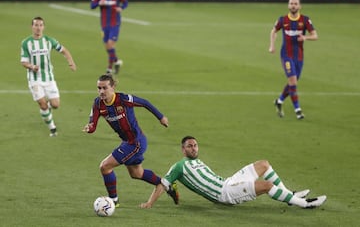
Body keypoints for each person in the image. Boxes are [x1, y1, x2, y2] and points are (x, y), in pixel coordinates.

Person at [140, 136, 327, 209]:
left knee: (263, 164)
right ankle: (304, 204)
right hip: (224, 193)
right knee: (267, 186)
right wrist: (149, 203)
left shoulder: (197, 161)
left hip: (228, 182)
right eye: (190, 146)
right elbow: (163, 184)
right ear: (183, 149)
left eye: (196, 145)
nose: (194, 148)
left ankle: (289, 196)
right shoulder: (179, 167)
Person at [83, 74, 178, 207]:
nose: (101, 91)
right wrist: (89, 127)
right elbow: (92, 124)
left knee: (105, 166)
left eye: (105, 88)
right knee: (137, 173)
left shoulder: (123, 99)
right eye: (99, 88)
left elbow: (144, 103)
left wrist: (161, 117)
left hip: (136, 142)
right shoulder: (98, 104)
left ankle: (113, 201)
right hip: (127, 142)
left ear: (113, 87)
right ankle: (167, 185)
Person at [20, 16, 77, 137]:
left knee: (55, 105)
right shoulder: (26, 43)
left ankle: (46, 110)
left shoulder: (49, 41)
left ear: (43, 27)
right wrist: (31, 66)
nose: (38, 28)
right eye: (36, 25)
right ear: (32, 27)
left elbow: (64, 50)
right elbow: (23, 62)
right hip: (34, 79)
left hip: (49, 78)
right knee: (42, 103)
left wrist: (71, 62)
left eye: (40, 25)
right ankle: (52, 128)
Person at [269, 0, 318, 120]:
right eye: (291, 3)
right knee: (293, 81)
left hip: (299, 56)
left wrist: (305, 38)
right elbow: (273, 31)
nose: (293, 6)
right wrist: (272, 46)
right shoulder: (282, 19)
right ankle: (298, 110)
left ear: (300, 6)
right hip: (286, 55)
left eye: (295, 4)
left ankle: (279, 101)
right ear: (288, 5)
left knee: (293, 82)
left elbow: (315, 36)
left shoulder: (305, 20)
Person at [90, 0, 128, 74]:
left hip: (115, 23)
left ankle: (109, 68)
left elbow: (125, 2)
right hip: (104, 25)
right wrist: (99, 3)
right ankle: (117, 61)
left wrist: (121, 8)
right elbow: (92, 5)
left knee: (110, 44)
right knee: (107, 47)